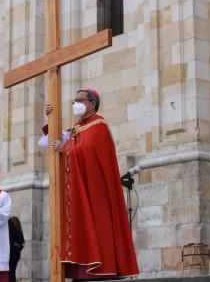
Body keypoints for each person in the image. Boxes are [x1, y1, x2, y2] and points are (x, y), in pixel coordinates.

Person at [47, 88, 139, 280]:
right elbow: (51, 139)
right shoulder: (76, 127)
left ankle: (96, 273)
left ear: (92, 103)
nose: (75, 104)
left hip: (94, 191)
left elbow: (86, 150)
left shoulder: (99, 126)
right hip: (78, 191)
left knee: (95, 226)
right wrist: (51, 116)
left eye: (79, 100)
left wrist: (66, 148)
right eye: (73, 101)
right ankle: (78, 272)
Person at [8, 216, 25, 282]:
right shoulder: (18, 229)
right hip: (17, 253)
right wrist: (18, 246)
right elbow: (22, 244)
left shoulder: (10, 225)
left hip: (12, 252)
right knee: (12, 272)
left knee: (10, 272)